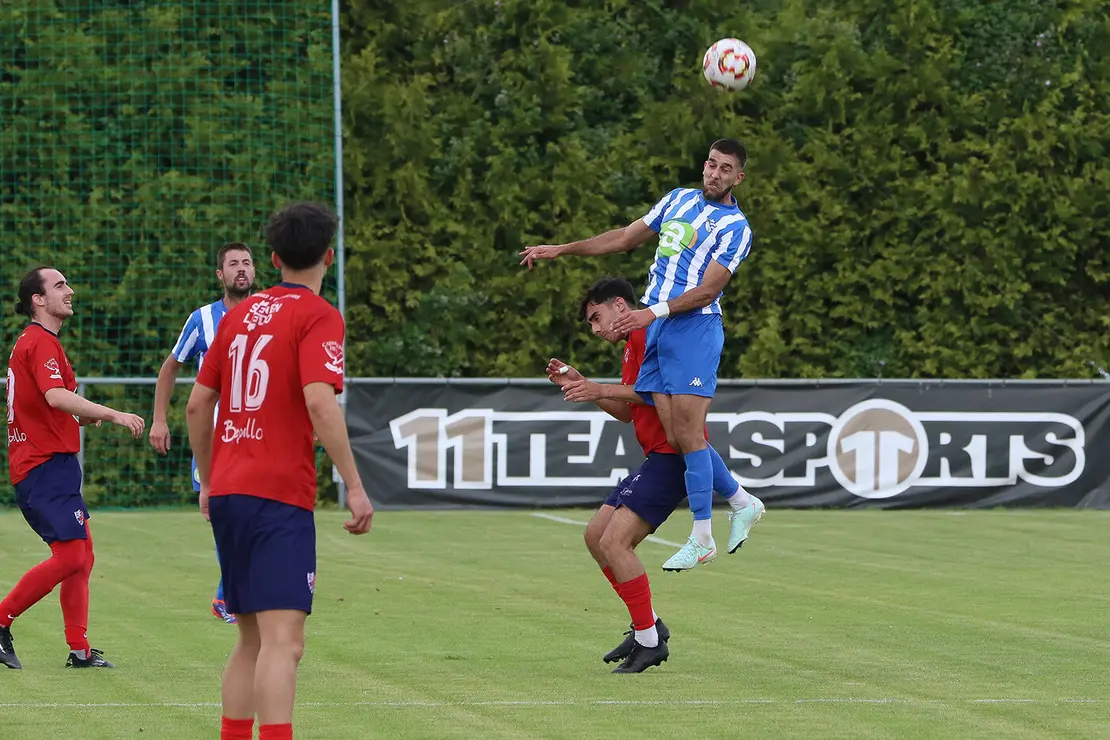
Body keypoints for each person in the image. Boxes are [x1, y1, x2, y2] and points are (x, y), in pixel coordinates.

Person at [521, 139, 765, 570]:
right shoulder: (678, 199)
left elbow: (708, 290)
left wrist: (649, 313)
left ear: (737, 178)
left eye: (725, 169)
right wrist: (562, 248)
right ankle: (742, 501)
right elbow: (623, 238)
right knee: (675, 433)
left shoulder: (736, 228)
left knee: (688, 434)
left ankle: (702, 535)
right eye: (711, 164)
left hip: (693, 326)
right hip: (660, 325)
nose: (714, 173)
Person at [186, 202, 374, 740]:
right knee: (284, 643)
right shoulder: (319, 314)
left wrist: (209, 477)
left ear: (271, 259)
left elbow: (198, 406)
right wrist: (355, 488)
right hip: (277, 494)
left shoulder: (239, 314)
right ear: (329, 257)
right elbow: (320, 402)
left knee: (249, 639)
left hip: (230, 492)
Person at [1, 267, 146, 670]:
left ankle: (79, 650)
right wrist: (113, 413)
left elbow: (53, 403)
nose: (70, 291)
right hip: (42, 467)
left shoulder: (41, 343)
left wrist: (86, 416)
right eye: (60, 285)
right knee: (70, 557)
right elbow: (56, 397)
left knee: (82, 554)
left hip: (52, 467)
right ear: (38, 299)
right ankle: (1, 620)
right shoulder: (40, 343)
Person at [150, 242, 256, 624]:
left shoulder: (270, 315)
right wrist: (159, 419)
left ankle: (229, 596)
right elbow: (170, 367)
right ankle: (228, 599)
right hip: (214, 441)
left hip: (260, 437)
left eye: (246, 262)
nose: (240, 269)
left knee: (255, 518)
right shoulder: (202, 320)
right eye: (233, 264)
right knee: (227, 517)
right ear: (220, 275)